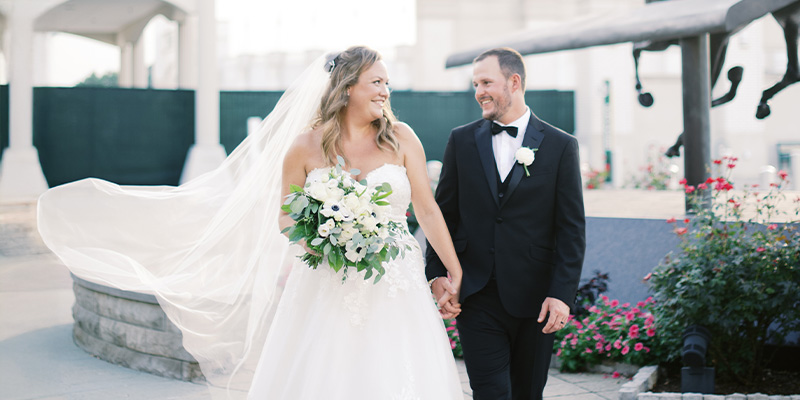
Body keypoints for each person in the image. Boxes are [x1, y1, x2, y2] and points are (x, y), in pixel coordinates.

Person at [38, 46, 464, 399]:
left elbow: (426, 210)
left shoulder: (401, 137)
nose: (386, 91)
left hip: (395, 280)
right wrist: (322, 240)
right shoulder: (305, 146)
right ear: (347, 87)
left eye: (386, 83)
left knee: (399, 369)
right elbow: (285, 214)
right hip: (328, 280)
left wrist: (452, 266)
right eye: (377, 82)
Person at [425, 47, 585, 400]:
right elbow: (443, 214)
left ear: (514, 82)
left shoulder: (561, 146)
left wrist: (561, 295)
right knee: (490, 391)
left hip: (536, 297)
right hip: (477, 295)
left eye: (486, 82)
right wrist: (436, 274)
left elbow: (571, 229)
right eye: (475, 83)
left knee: (528, 393)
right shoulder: (461, 140)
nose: (478, 91)